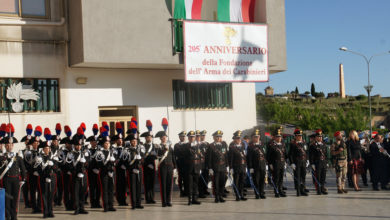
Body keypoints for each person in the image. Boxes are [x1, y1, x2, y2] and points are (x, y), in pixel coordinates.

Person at [0, 136, 26, 220]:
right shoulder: (1, 157)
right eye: (7, 145)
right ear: (5, 146)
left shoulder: (17, 157)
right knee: (7, 200)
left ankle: (14, 216)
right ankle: (8, 216)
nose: (9, 147)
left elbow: (23, 169)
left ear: (13, 146)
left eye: (10, 145)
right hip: (6, 180)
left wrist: (23, 179)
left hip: (16, 180)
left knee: (15, 199)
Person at [38, 137, 57, 218]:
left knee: (51, 195)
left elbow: (57, 168)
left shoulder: (52, 156)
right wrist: (44, 175)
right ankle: (45, 212)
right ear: (43, 149)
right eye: (46, 148)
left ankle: (50, 211)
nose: (47, 150)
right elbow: (38, 170)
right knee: (44, 196)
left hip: (52, 178)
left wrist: (53, 166)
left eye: (48, 148)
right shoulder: (39, 157)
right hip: (44, 179)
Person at [98, 132, 117, 212]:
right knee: (105, 190)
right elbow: (100, 164)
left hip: (111, 173)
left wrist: (113, 163)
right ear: (103, 144)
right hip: (104, 173)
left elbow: (115, 161)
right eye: (106, 143)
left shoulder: (112, 152)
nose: (108, 144)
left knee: (111, 189)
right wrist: (107, 168)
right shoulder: (100, 153)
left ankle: (111, 205)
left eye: (108, 143)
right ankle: (105, 206)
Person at [208, 130, 228, 203]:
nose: (219, 138)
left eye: (220, 137)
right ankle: (217, 197)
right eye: (217, 137)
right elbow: (209, 158)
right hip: (215, 168)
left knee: (222, 182)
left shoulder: (224, 144)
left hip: (223, 167)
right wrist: (210, 168)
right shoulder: (211, 146)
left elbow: (226, 156)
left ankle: (221, 196)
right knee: (216, 183)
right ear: (214, 138)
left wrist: (227, 166)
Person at [182, 131, 202, 205]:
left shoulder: (198, 146)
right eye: (190, 137)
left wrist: (200, 168)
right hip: (189, 168)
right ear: (188, 138)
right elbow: (184, 157)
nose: (192, 138)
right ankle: (190, 199)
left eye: (193, 137)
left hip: (196, 168)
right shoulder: (185, 146)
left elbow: (200, 157)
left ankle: (195, 199)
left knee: (195, 184)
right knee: (189, 185)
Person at [156, 131, 175, 207]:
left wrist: (175, 166)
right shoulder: (158, 146)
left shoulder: (170, 146)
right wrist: (164, 150)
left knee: (169, 184)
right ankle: (164, 201)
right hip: (163, 166)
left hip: (170, 166)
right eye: (163, 138)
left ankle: (169, 200)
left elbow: (173, 156)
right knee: (163, 184)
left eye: (165, 137)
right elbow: (158, 156)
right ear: (160, 139)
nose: (164, 139)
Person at [71, 134, 89, 215]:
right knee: (76, 193)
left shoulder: (84, 153)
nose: (78, 147)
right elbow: (69, 165)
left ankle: (82, 207)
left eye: (80, 145)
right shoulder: (71, 154)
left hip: (84, 175)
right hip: (76, 176)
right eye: (77, 145)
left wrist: (85, 163)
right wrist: (76, 171)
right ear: (74, 146)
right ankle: (77, 208)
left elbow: (89, 164)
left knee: (83, 191)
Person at [267, 128, 287, 197]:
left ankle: (280, 190)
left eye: (280, 137)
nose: (279, 138)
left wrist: (285, 162)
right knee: (276, 178)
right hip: (275, 164)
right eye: (278, 137)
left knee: (281, 178)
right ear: (275, 137)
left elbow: (284, 154)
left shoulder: (282, 144)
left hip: (282, 163)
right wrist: (270, 164)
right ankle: (276, 191)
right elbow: (268, 155)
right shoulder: (271, 145)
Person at [125, 133, 144, 209]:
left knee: (139, 187)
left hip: (139, 170)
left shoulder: (140, 148)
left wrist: (141, 159)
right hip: (132, 171)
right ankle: (133, 204)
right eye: (133, 141)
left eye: (135, 140)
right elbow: (126, 162)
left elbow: (144, 159)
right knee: (132, 188)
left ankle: (138, 203)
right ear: (130, 142)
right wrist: (132, 168)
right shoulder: (127, 150)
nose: (134, 142)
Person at [288, 128, 309, 196]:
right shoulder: (293, 144)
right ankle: (298, 191)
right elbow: (290, 154)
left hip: (303, 161)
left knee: (303, 176)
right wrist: (292, 163)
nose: (300, 137)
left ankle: (302, 189)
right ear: (295, 136)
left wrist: (307, 160)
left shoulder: (304, 142)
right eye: (298, 136)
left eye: (301, 136)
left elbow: (306, 152)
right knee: (297, 177)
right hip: (297, 162)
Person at [247, 129, 267, 199]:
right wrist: (250, 167)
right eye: (255, 137)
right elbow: (249, 157)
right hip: (255, 166)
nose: (257, 138)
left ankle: (261, 192)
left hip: (262, 165)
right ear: (252, 138)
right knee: (256, 180)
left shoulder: (262, 145)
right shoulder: (250, 146)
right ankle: (257, 193)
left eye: (258, 136)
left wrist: (266, 164)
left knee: (262, 180)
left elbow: (264, 155)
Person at [228, 130, 247, 201]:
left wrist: (246, 165)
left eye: (240, 138)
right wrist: (231, 168)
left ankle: (241, 194)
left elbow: (244, 156)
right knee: (236, 181)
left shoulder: (242, 145)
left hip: (243, 166)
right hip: (236, 167)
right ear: (235, 139)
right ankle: (237, 195)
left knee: (242, 181)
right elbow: (231, 158)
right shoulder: (232, 147)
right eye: (237, 138)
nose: (239, 140)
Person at [86, 125, 102, 208]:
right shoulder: (87, 150)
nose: (94, 143)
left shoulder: (100, 150)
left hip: (98, 171)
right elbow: (87, 161)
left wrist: (98, 168)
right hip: (91, 172)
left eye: (95, 142)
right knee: (92, 188)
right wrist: (92, 169)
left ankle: (97, 202)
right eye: (93, 142)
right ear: (90, 143)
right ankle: (92, 203)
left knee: (98, 187)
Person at [141, 131, 158, 204]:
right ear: (145, 138)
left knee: (152, 183)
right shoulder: (143, 146)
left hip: (153, 165)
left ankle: (152, 198)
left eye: (150, 137)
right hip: (146, 166)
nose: (149, 138)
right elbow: (142, 156)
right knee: (147, 183)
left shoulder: (155, 146)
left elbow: (156, 156)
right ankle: (148, 198)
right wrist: (147, 164)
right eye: (148, 137)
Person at [112, 123, 128, 206]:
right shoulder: (113, 149)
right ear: (116, 141)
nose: (120, 141)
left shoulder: (125, 149)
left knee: (124, 185)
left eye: (121, 139)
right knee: (118, 186)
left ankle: (124, 200)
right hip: (116, 170)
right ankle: (119, 200)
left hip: (124, 169)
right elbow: (113, 159)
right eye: (119, 140)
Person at [309, 129, 328, 195]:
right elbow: (311, 155)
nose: (320, 138)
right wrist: (312, 164)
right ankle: (318, 189)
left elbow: (326, 154)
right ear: (316, 137)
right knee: (318, 177)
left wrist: (327, 162)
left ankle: (322, 188)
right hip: (317, 163)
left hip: (323, 162)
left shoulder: (324, 144)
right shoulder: (313, 145)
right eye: (318, 137)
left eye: (321, 137)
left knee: (323, 176)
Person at [28, 127, 43, 214]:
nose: (36, 144)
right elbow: (26, 164)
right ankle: (34, 207)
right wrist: (33, 171)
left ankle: (40, 206)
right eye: (35, 142)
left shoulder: (41, 152)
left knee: (41, 191)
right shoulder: (28, 152)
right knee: (33, 191)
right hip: (32, 175)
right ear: (32, 144)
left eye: (38, 142)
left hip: (40, 175)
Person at [20, 124, 33, 209]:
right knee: (25, 190)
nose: (28, 143)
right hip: (25, 173)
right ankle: (26, 203)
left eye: (29, 141)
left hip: (32, 172)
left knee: (32, 188)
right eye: (27, 141)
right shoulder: (21, 151)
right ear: (25, 142)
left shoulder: (34, 152)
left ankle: (32, 202)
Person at [174, 131, 186, 197]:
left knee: (186, 178)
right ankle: (181, 191)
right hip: (180, 164)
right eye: (182, 136)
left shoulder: (187, 144)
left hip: (186, 164)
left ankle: (186, 190)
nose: (183, 138)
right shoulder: (176, 145)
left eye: (184, 136)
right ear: (179, 137)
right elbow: (175, 155)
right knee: (180, 178)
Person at [198, 130, 210, 198]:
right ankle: (201, 192)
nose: (203, 137)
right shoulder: (198, 144)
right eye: (202, 135)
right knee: (200, 179)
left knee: (206, 178)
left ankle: (205, 190)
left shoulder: (207, 144)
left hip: (206, 164)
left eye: (204, 135)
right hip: (200, 164)